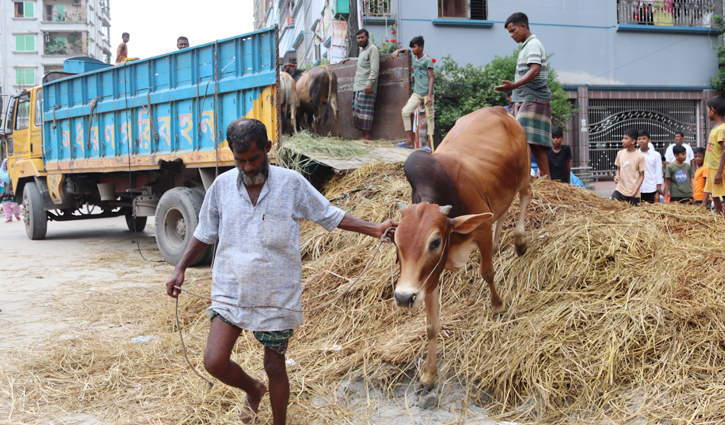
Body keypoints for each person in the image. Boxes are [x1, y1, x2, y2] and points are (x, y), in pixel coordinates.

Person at [165, 119, 396, 425]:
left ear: (268, 149)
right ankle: (252, 388)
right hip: (231, 288)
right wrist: (180, 268)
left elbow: (329, 215)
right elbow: (204, 232)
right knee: (214, 361)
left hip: (276, 293)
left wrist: (375, 229)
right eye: (240, 160)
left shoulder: (291, 184)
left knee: (275, 366)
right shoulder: (221, 187)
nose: (247, 167)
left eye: (254, 159)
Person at [495, 12, 552, 180]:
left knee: (522, 139)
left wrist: (514, 86)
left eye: (513, 31)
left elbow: (535, 70)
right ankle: (547, 181)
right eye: (509, 33)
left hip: (533, 97)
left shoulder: (533, 44)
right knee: (535, 143)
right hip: (528, 98)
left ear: (523, 27)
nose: (512, 35)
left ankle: (525, 177)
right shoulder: (527, 46)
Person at [393, 36, 435, 151]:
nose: (412, 49)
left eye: (415, 47)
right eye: (412, 47)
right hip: (417, 93)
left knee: (429, 118)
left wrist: (430, 96)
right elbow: (406, 50)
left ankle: (429, 145)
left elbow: (431, 78)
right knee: (405, 112)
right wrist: (397, 50)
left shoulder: (427, 60)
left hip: (427, 94)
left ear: (421, 47)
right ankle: (409, 141)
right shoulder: (413, 58)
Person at [341, 29, 379, 140]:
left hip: (366, 86)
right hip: (358, 86)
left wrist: (369, 84)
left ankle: (367, 137)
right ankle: (364, 136)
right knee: (358, 112)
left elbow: (375, 69)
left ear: (367, 37)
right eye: (358, 38)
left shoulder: (373, 49)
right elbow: (363, 61)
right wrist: (351, 59)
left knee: (365, 113)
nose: (360, 40)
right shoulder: (363, 51)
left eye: (362, 37)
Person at [702, 95, 725, 217]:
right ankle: (719, 221)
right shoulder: (715, 128)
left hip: (719, 169)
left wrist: (720, 172)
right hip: (713, 168)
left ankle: (723, 222)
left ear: (713, 110)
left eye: (707, 110)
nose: (707, 113)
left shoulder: (722, 129)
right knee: (715, 195)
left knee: (723, 195)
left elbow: (724, 151)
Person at [612, 128, 646, 206]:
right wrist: (617, 176)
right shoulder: (620, 153)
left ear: (633, 141)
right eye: (623, 138)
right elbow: (619, 169)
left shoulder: (640, 156)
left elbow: (642, 175)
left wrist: (636, 189)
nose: (623, 140)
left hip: (633, 193)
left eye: (626, 138)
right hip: (619, 190)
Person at [637, 130, 664, 203]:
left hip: (651, 189)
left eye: (644, 139)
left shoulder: (656, 155)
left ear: (649, 140)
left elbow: (659, 174)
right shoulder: (635, 154)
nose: (641, 141)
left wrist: (658, 191)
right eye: (639, 139)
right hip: (638, 189)